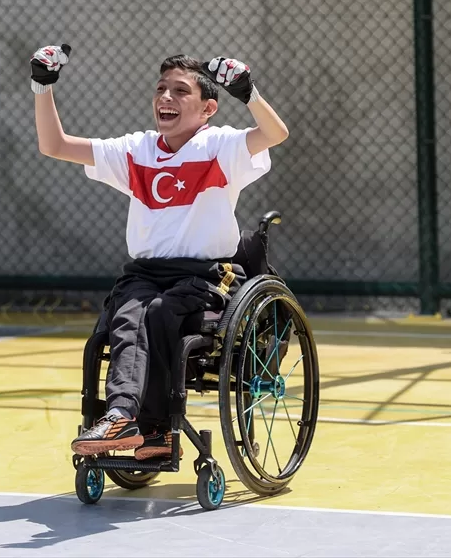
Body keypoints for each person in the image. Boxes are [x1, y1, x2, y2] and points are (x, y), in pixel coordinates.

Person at [29, 44, 289, 460]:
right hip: (145, 273)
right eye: (161, 89)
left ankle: (156, 430)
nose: (166, 97)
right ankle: (122, 417)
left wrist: (248, 91)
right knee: (127, 318)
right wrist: (42, 86)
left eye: (181, 91)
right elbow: (54, 145)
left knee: (159, 313)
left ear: (207, 109)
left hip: (206, 275)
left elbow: (275, 134)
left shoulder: (220, 146)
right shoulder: (136, 150)